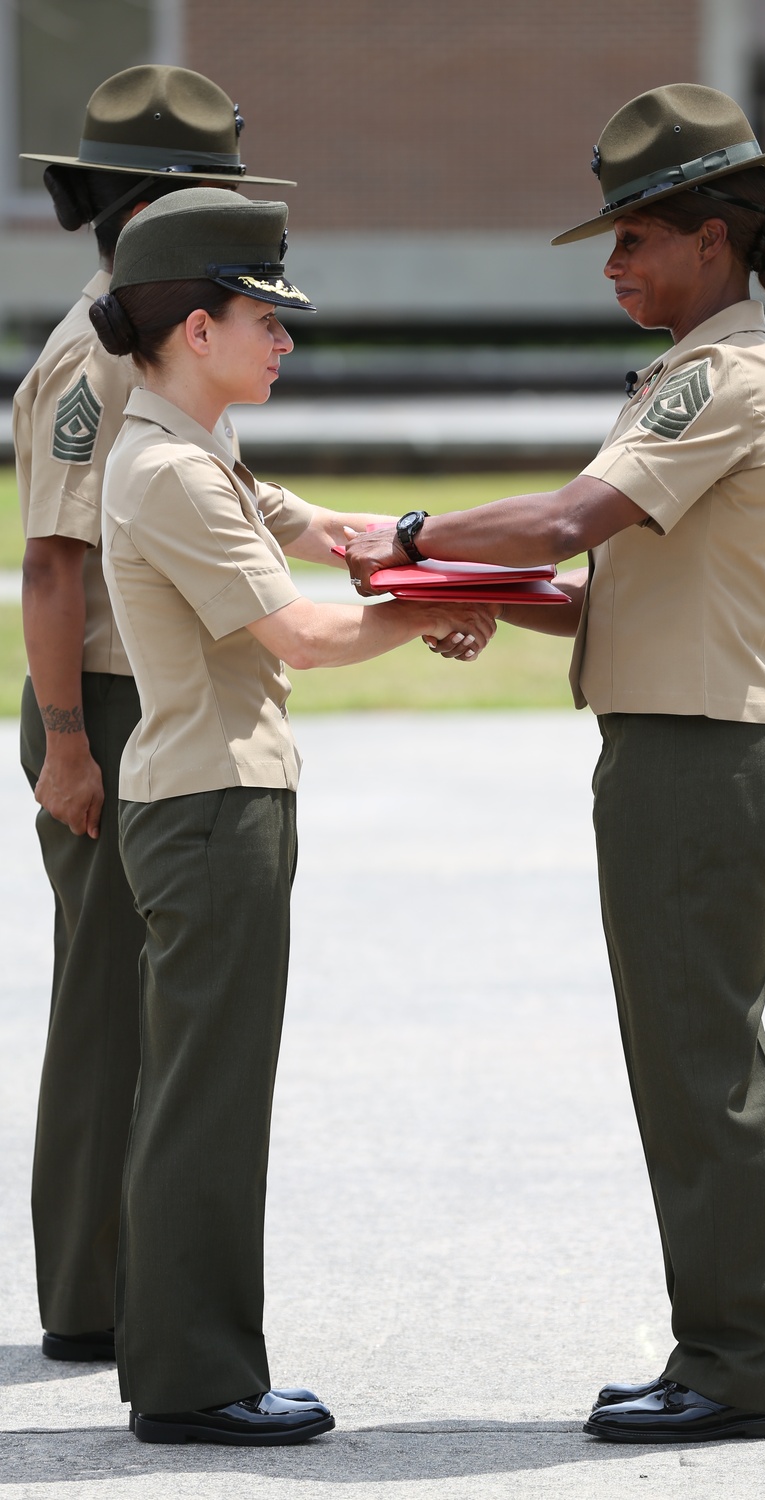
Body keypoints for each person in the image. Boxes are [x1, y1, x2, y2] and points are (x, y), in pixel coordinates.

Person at [346, 83, 765, 1445]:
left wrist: (408, 530)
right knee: (685, 1060)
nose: (616, 265)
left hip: (698, 753)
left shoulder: (720, 377)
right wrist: (465, 593)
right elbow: (613, 565)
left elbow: (568, 520)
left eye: (635, 238)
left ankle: (739, 1366)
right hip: (677, 741)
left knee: (699, 1065)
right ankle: (726, 1348)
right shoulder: (695, 371)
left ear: (717, 241)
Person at [92, 186, 494, 1444]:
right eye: (263, 316)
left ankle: (190, 1363)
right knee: (207, 1100)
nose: (284, 339)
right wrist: (428, 610)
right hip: (211, 809)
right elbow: (306, 637)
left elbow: (323, 534)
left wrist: (418, 554)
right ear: (194, 330)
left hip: (213, 803)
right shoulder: (169, 472)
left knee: (200, 1091)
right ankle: (198, 1381)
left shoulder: (197, 452)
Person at [15, 64, 298, 1366]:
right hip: (108, 704)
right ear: (147, 198)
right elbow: (53, 563)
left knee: (138, 1002)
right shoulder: (92, 354)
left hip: (142, 696)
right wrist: (69, 744)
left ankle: (115, 1280)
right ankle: (87, 1294)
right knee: (105, 1007)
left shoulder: (149, 327)